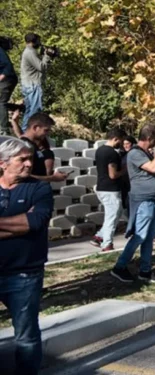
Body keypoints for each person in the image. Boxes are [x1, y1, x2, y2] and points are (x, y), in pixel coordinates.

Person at [0, 137, 54, 375]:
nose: (29, 164)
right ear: (2, 163)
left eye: (30, 159)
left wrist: (27, 222)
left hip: (24, 274)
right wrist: (19, 223)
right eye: (21, 159)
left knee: (26, 335)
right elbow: (23, 223)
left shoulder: (39, 188)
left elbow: (35, 222)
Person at [110, 125, 155, 284]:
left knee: (148, 238)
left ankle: (145, 271)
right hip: (143, 201)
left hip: (153, 200)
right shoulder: (134, 153)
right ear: (150, 139)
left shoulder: (145, 153)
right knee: (140, 236)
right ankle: (119, 267)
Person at [91, 128, 127, 252]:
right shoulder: (112, 153)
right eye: (120, 141)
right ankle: (107, 244)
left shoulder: (100, 150)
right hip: (110, 189)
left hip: (101, 186)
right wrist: (124, 170)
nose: (121, 144)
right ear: (115, 139)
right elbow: (113, 174)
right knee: (112, 216)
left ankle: (100, 235)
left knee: (114, 214)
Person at [18, 112, 66, 183]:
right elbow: (21, 175)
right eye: (46, 130)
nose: (47, 134)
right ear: (35, 127)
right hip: (29, 191)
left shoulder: (33, 145)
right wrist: (52, 178)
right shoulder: (23, 146)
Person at [20, 34, 51, 132]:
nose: (40, 43)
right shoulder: (30, 52)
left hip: (28, 84)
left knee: (29, 111)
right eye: (39, 41)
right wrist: (47, 56)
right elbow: (42, 67)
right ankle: (30, 134)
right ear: (34, 41)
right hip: (32, 84)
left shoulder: (29, 52)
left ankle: (25, 133)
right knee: (34, 110)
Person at [0, 37, 18, 136]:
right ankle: (18, 108)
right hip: (6, 79)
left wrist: (1, 77)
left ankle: (4, 130)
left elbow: (8, 66)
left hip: (7, 79)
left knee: (1, 102)